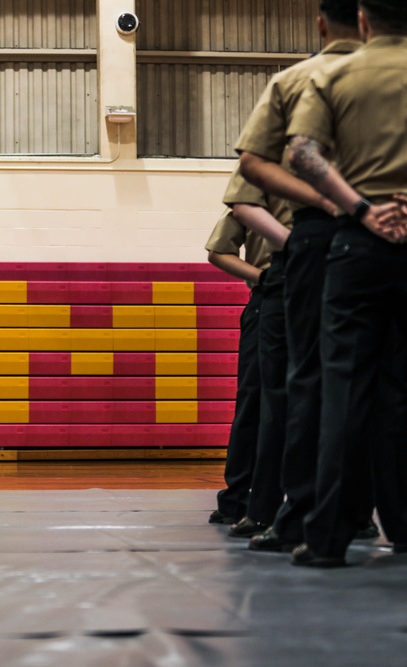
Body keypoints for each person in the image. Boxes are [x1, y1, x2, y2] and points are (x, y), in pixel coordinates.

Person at [234, 0, 370, 554]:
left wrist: (337, 207)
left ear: (322, 23)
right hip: (379, 233)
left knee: (308, 381)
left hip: (323, 236)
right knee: (381, 385)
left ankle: (306, 518)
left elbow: (259, 169)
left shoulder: (303, 80)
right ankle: (372, 514)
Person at [285, 0, 407, 566]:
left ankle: (330, 534)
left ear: (362, 21)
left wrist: (360, 208)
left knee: (343, 390)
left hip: (359, 245)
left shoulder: (333, 74)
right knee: (401, 392)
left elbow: (301, 153)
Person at [206, 166, 290, 530]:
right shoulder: (259, 187)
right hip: (271, 295)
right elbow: (217, 250)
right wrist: (262, 277)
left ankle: (346, 504)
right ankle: (237, 498)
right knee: (255, 401)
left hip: (318, 296)